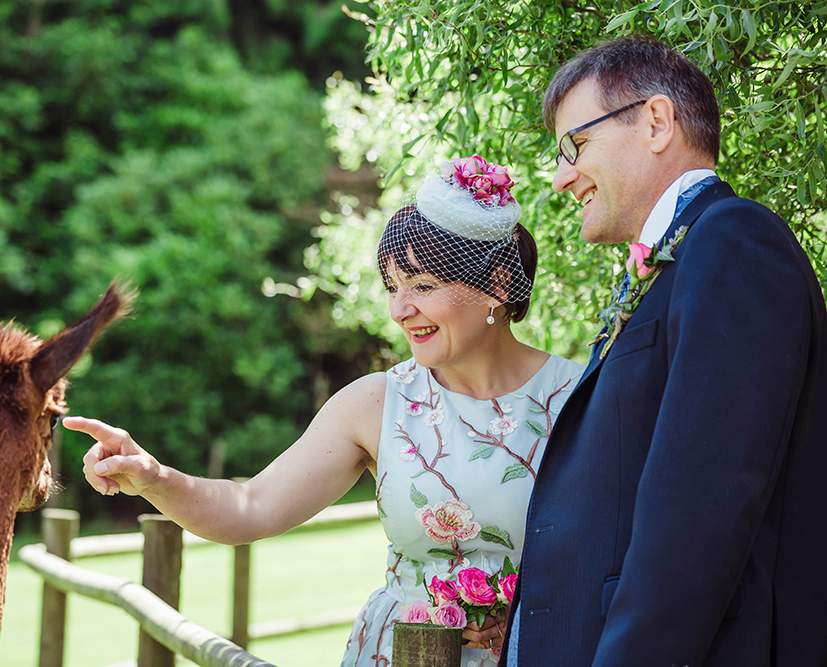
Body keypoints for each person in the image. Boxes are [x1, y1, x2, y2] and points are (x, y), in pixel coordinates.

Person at [64, 156, 585, 666]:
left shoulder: (581, 396)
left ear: (495, 285)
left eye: (423, 286)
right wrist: (153, 477)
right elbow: (252, 505)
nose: (400, 310)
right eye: (393, 287)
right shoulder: (377, 403)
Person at [500, 35, 827, 667]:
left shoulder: (734, 242)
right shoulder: (677, 265)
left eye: (576, 146)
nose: (562, 176)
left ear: (655, 122)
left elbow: (701, 511)